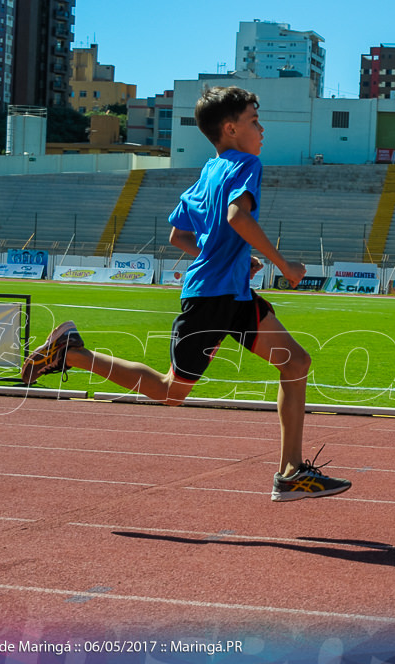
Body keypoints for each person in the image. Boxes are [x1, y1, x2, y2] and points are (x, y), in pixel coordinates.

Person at [20, 86, 350, 503]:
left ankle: (291, 473)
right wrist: (285, 266)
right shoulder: (246, 164)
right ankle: (71, 354)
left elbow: (179, 234)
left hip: (232, 294)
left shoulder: (206, 173)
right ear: (230, 129)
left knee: (296, 361)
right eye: (254, 120)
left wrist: (226, 256)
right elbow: (236, 215)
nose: (261, 129)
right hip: (213, 299)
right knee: (169, 392)